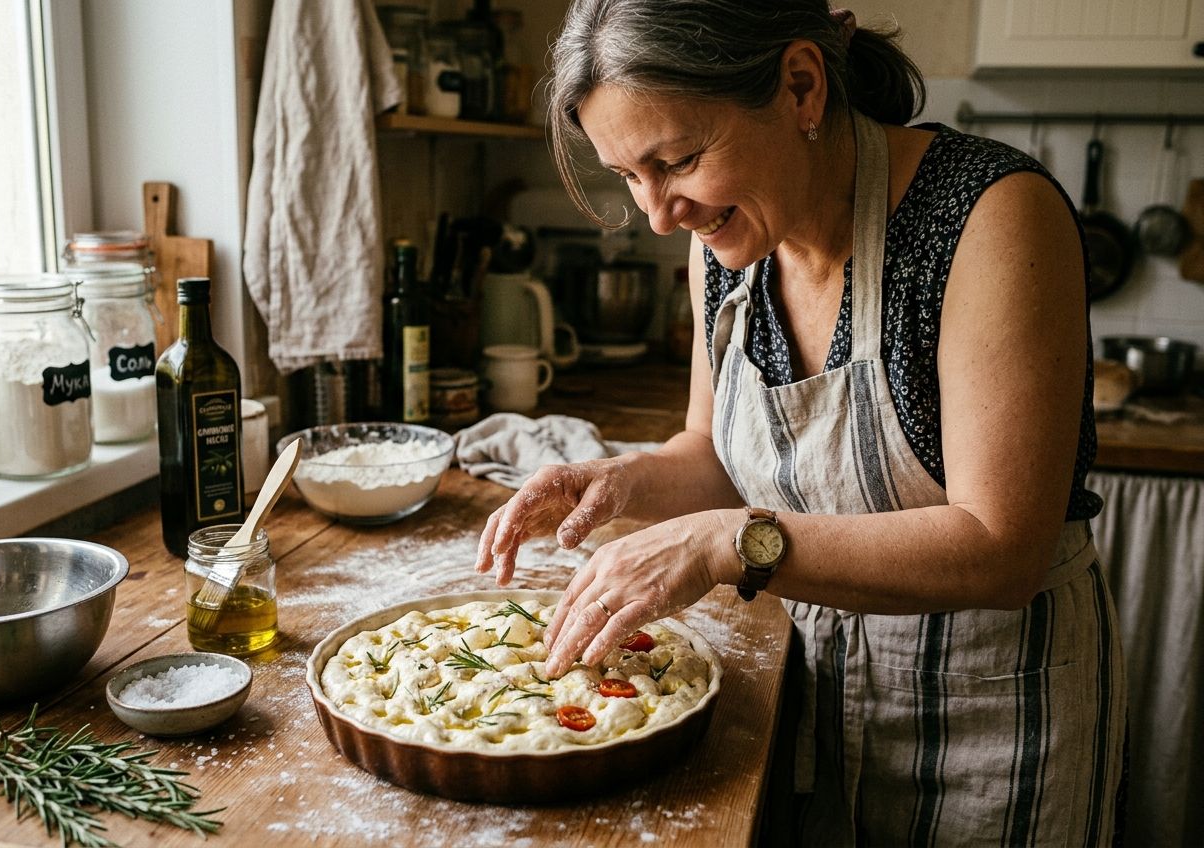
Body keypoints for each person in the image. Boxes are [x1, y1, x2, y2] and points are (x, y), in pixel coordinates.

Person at [474, 0, 1127, 844]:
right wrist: (616, 481)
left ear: (800, 86)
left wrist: (723, 543)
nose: (658, 213)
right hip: (806, 706)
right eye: (628, 176)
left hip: (992, 731)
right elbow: (710, 454)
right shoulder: (723, 243)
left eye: (675, 160)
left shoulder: (989, 217)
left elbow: (1002, 547)